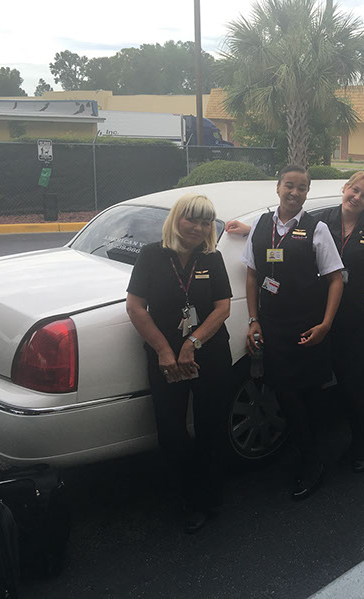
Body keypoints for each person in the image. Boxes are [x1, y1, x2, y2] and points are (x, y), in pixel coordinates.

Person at [226, 172, 364, 473]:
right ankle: (323, 444)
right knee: (323, 381)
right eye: (354, 190)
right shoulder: (325, 219)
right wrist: (249, 229)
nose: (357, 198)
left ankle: (361, 443)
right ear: (344, 188)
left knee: (354, 383)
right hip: (328, 316)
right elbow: (287, 224)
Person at [126, 193, 232, 534]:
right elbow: (135, 307)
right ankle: (187, 496)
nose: (198, 228)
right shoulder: (152, 255)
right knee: (171, 431)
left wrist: (192, 343)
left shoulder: (212, 258)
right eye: (192, 220)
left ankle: (209, 496)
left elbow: (222, 308)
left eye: (205, 222)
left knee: (211, 427)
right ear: (176, 219)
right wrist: (164, 350)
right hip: (166, 355)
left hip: (209, 353)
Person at [241, 165, 344, 501]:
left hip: (308, 326)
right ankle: (308, 453)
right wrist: (253, 319)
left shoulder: (317, 229)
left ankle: (313, 461)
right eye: (289, 185)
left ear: (307, 193)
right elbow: (253, 275)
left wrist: (326, 325)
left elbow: (335, 279)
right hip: (273, 326)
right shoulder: (261, 224)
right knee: (285, 392)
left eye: (302, 188)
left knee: (310, 394)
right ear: (278, 187)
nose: (295, 192)